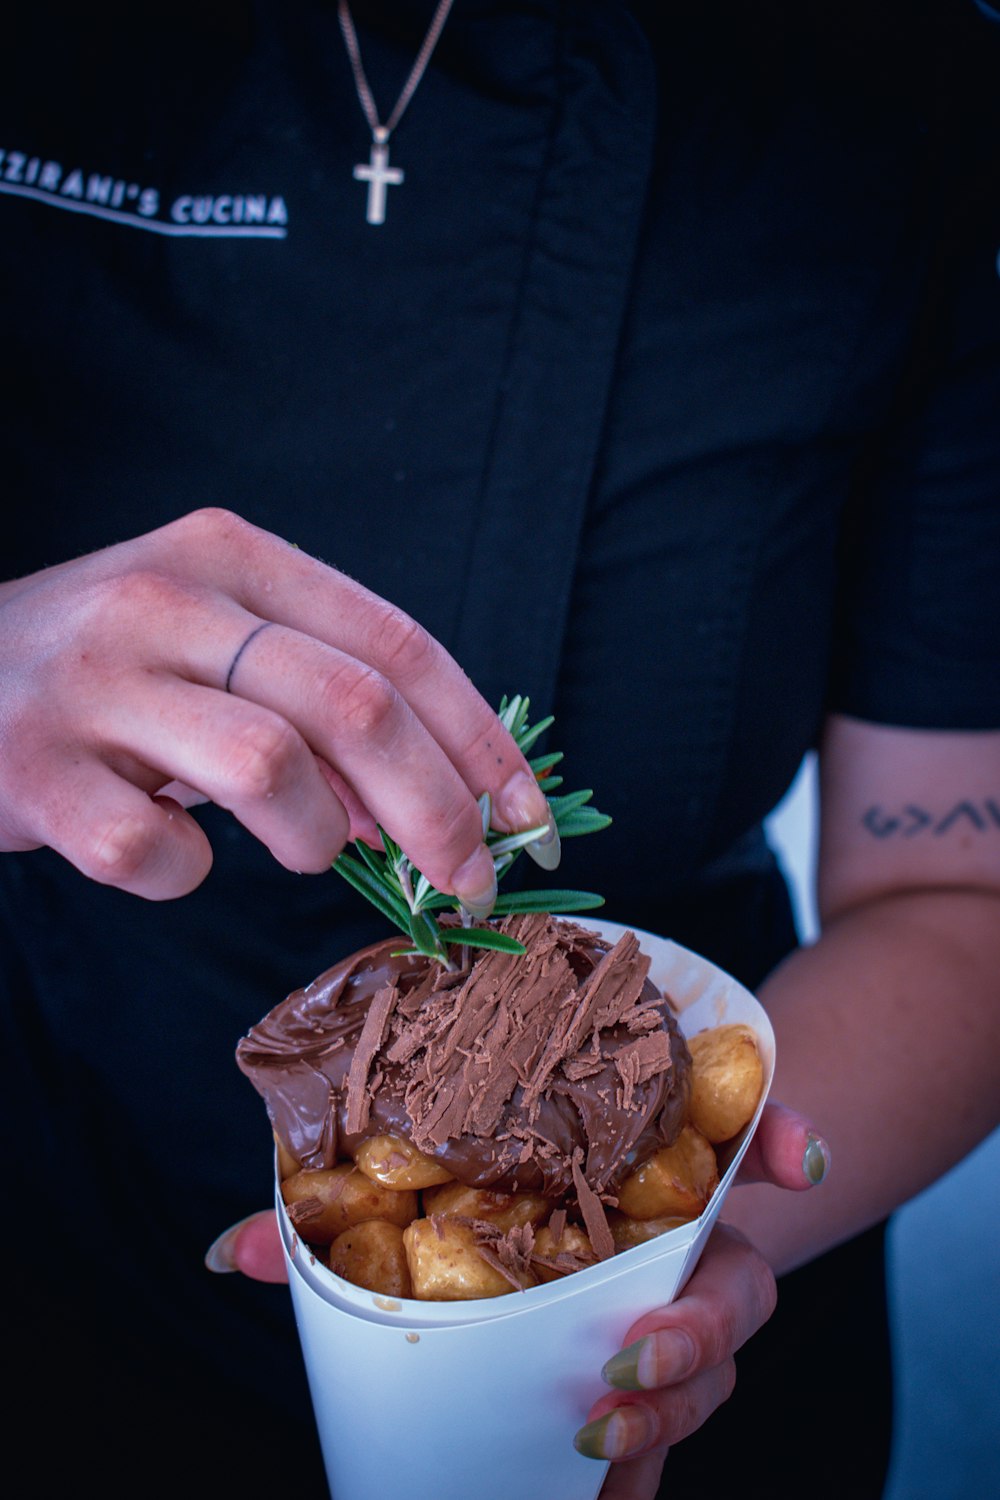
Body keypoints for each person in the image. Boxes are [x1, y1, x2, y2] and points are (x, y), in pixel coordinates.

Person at [2, 2, 998, 1496]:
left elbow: (957, 888)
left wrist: (675, 1249)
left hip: (698, 1359)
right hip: (55, 1262)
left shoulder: (901, 94)